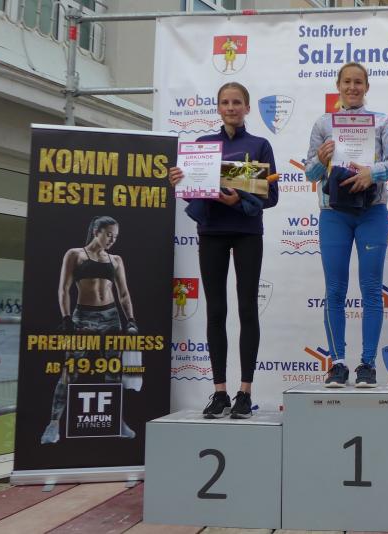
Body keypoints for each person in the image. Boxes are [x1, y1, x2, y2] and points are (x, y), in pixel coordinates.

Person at [168, 81, 278, 418]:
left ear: (247, 108)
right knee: (216, 311)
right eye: (226, 102)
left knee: (247, 309)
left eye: (237, 102)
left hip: (247, 233)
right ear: (218, 108)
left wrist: (238, 202)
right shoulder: (203, 145)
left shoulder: (260, 145)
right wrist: (181, 182)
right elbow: (195, 192)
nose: (231, 107)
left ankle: (245, 392)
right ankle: (219, 393)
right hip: (212, 232)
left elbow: (271, 196)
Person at [305, 62, 388, 388]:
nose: (352, 87)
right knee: (335, 289)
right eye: (347, 82)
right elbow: (309, 173)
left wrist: (371, 173)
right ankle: (337, 363)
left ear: (366, 87)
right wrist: (321, 160)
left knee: (372, 289)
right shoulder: (323, 123)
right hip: (334, 213)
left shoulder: (382, 122)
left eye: (358, 82)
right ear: (338, 85)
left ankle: (367, 364)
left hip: (371, 211)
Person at [41, 216, 137, 444]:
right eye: (108, 234)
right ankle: (53, 425)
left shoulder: (115, 260)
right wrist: (66, 318)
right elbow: (64, 289)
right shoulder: (75, 254)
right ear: (96, 231)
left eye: (115, 236)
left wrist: (131, 320)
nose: (112, 240)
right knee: (70, 370)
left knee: (113, 372)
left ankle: (116, 421)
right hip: (83, 318)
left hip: (111, 318)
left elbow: (124, 294)